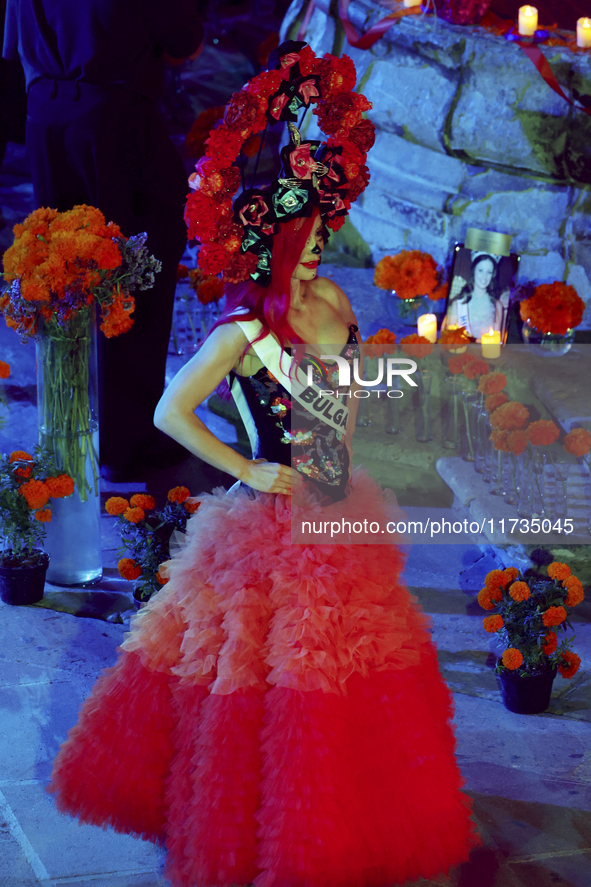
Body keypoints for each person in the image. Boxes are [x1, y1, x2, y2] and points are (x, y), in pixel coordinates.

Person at [48, 42, 479, 887]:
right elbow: (169, 409)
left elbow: (341, 410)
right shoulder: (242, 332)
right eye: (308, 237)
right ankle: (261, 830)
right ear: (276, 244)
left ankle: (354, 818)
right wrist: (245, 471)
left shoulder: (337, 304)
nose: (321, 246)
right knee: (260, 675)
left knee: (355, 676)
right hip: (271, 521)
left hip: (336, 509)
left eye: (325, 230)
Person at [2, 0, 205, 479]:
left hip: (46, 114)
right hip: (113, 118)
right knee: (133, 269)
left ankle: (72, 427)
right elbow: (184, 41)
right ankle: (123, 441)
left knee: (67, 273)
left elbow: (14, 44)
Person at [446, 252, 505, 340]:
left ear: (493, 275)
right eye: (480, 270)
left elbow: (497, 342)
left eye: (489, 272)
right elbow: (449, 338)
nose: (484, 277)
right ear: (474, 271)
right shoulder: (458, 304)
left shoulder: (497, 306)